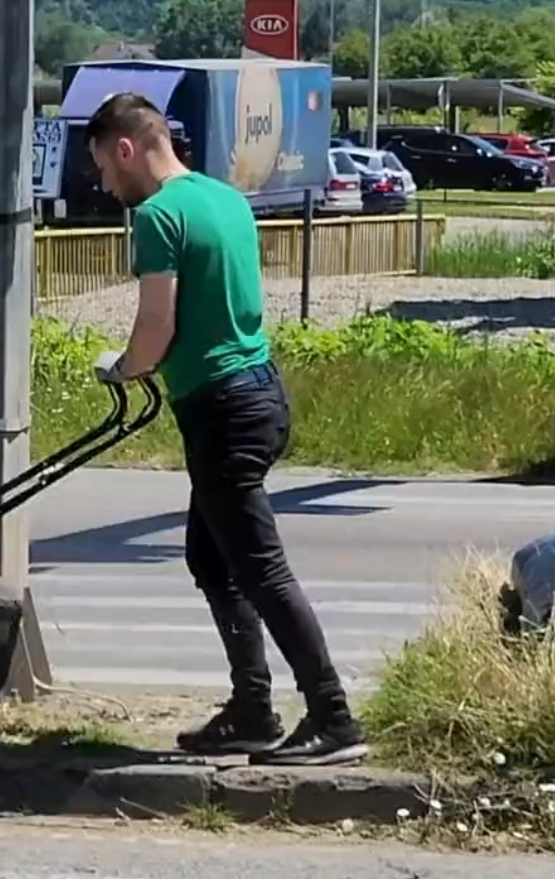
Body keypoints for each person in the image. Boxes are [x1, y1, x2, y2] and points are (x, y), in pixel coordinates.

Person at [85, 92, 368, 766]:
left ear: (126, 148)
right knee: (212, 557)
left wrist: (122, 369)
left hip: (221, 409)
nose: (102, 183)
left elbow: (157, 325)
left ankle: (332, 716)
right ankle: (251, 709)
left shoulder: (156, 216)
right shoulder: (224, 199)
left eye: (102, 166)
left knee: (259, 567)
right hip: (259, 392)